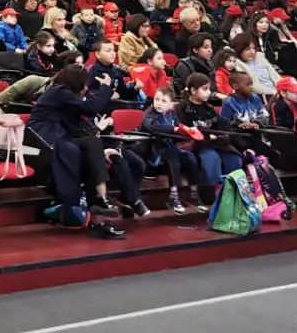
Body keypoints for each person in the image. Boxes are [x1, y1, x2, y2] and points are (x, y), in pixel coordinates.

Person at [26, 63, 138, 238]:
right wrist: (105, 88)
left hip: (60, 135)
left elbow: (83, 122)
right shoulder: (60, 92)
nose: (86, 88)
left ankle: (100, 206)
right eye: (85, 84)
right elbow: (91, 107)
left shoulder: (67, 97)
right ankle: (90, 206)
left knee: (93, 147)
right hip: (42, 136)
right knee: (76, 153)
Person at [141, 84, 203, 214]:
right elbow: (153, 127)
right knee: (173, 160)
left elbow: (177, 133)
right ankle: (173, 197)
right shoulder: (149, 114)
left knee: (190, 158)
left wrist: (186, 132)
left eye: (164, 101)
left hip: (171, 147)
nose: (159, 103)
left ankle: (194, 194)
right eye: (157, 99)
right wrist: (175, 130)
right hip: (154, 150)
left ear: (171, 104)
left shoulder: (172, 115)